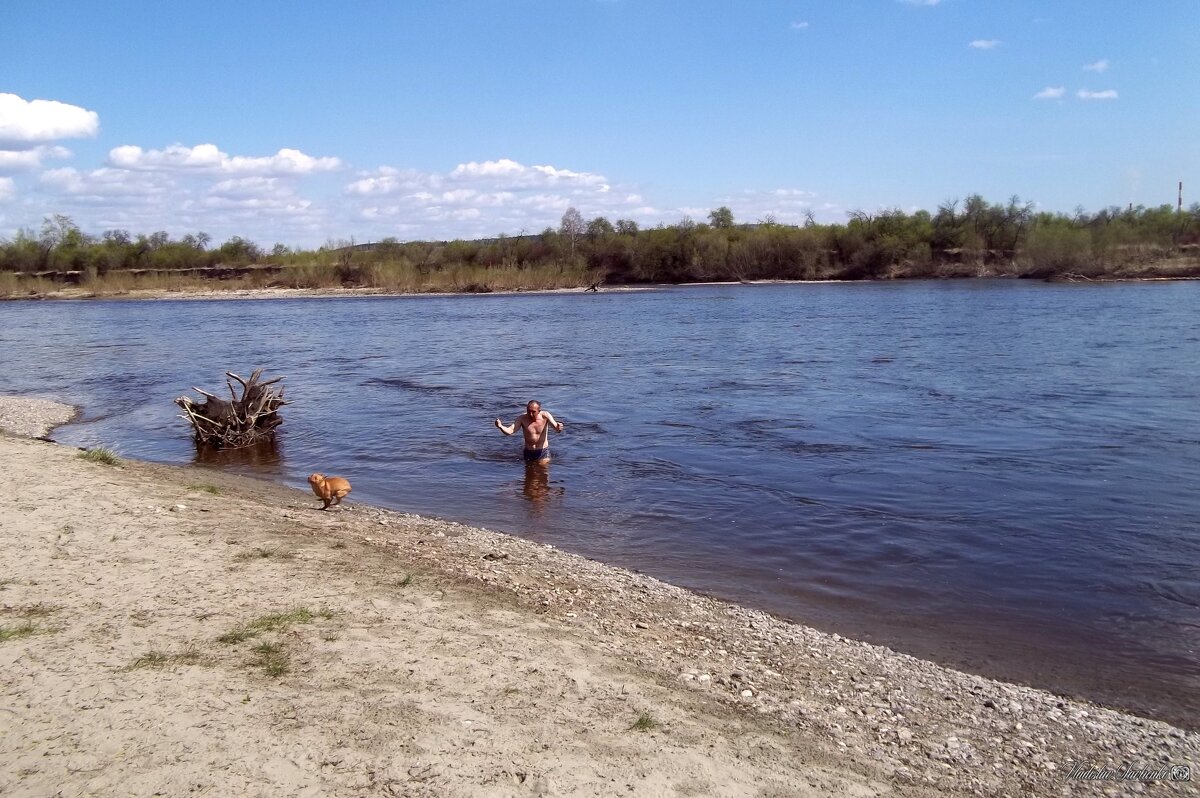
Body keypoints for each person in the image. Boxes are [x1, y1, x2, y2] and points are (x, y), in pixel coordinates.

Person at [495, 400, 564, 463]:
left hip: (543, 451)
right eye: (529, 411)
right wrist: (501, 426)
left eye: (533, 412)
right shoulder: (522, 418)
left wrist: (559, 427)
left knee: (543, 472)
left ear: (539, 411)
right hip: (528, 452)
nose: (530, 414)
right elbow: (510, 431)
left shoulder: (545, 416)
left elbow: (556, 428)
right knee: (528, 474)